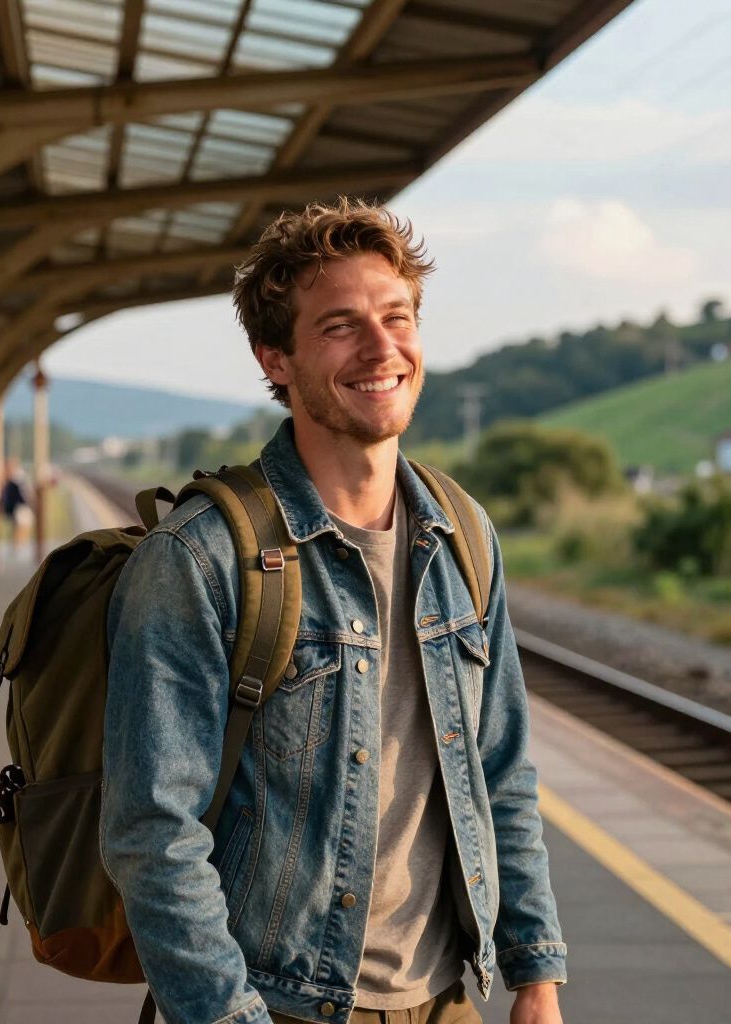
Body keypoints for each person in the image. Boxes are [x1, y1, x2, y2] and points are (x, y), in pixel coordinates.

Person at [102, 200, 565, 1024]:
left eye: (397, 318)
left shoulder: (460, 534)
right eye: (342, 327)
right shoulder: (201, 557)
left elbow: (502, 771)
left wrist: (537, 973)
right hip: (271, 1004)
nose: (382, 349)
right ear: (275, 358)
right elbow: (152, 831)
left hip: (444, 997)